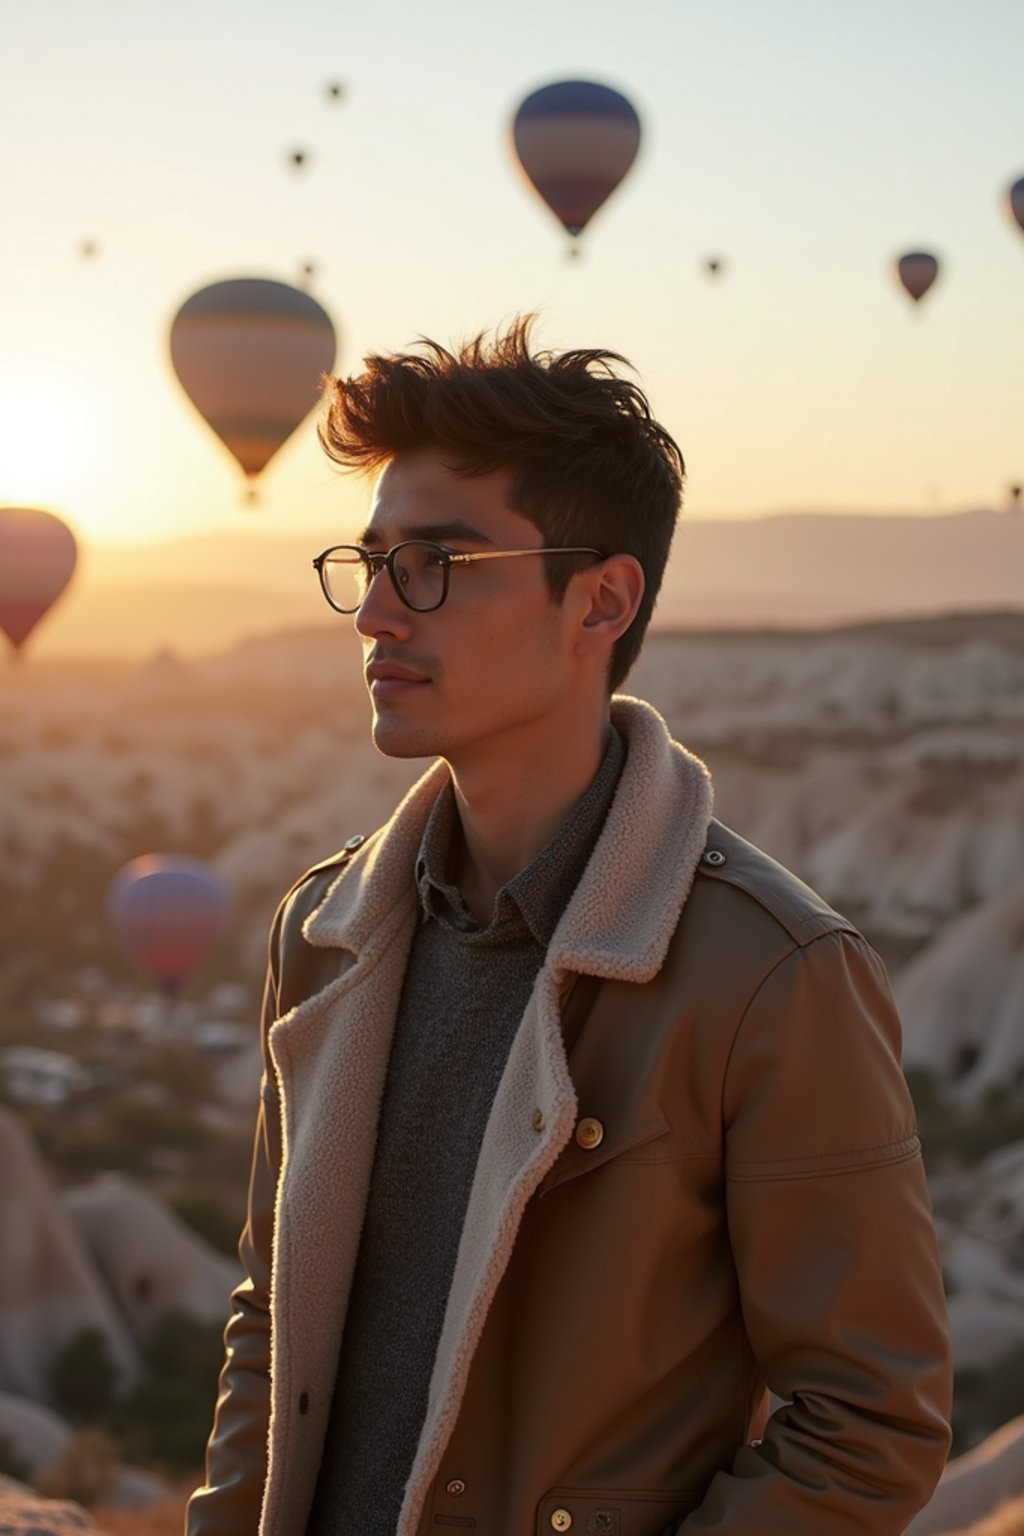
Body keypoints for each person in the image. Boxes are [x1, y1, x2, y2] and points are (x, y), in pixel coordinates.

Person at [186, 319, 952, 1536]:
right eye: (370, 559)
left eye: (437, 562)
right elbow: (272, 1319)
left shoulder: (770, 974)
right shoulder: (327, 929)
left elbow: (867, 1426)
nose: (378, 612)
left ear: (601, 598)